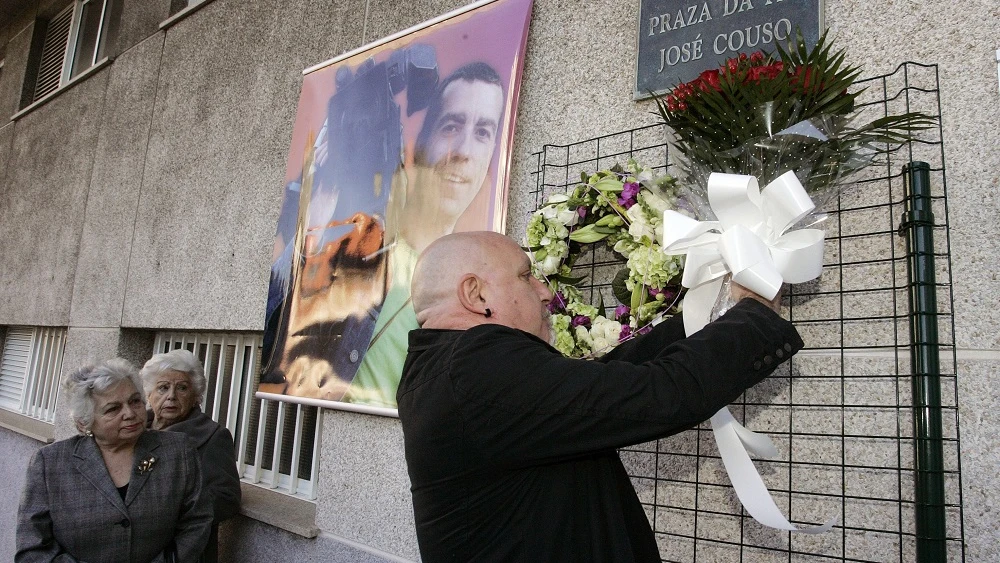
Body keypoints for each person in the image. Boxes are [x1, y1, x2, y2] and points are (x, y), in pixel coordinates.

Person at [396, 231, 804, 562]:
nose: (544, 292)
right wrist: (754, 315)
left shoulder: (442, 372)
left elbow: (603, 382)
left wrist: (703, 315)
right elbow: (657, 395)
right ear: (476, 294)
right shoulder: (473, 364)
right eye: (525, 275)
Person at [344, 62, 506, 407]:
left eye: (483, 133)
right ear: (421, 144)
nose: (463, 151)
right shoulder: (358, 247)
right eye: (451, 126)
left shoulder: (475, 293)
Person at [16, 358, 212, 562]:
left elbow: (197, 521)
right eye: (113, 409)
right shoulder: (50, 463)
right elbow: (33, 547)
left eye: (135, 401)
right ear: (85, 422)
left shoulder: (178, 450)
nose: (130, 413)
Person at [141, 349, 242, 563]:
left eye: (182, 388)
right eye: (163, 387)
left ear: (196, 396)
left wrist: (172, 510)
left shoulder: (212, 436)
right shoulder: (135, 431)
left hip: (182, 550)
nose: (171, 396)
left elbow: (227, 498)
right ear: (149, 394)